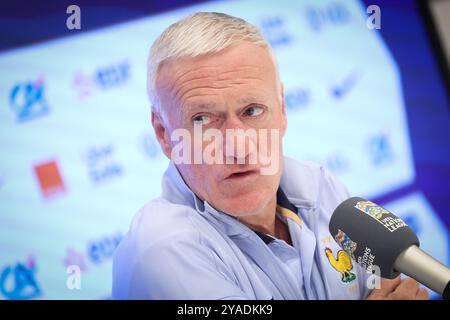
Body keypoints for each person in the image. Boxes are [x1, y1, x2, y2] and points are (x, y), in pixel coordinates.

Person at [112, 12, 428, 300]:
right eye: (203, 120)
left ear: (282, 110)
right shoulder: (161, 251)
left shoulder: (320, 186)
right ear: (164, 134)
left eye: (252, 111)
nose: (239, 147)